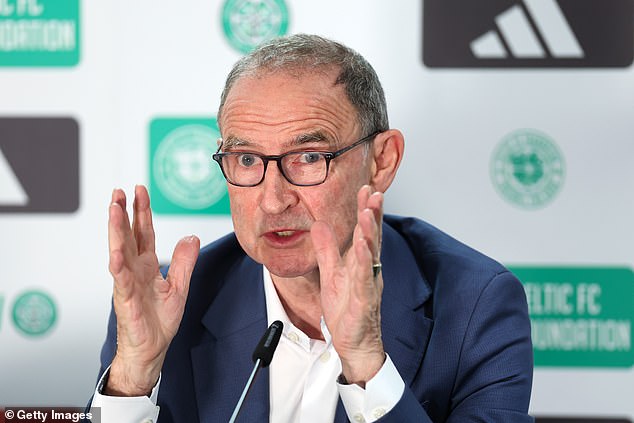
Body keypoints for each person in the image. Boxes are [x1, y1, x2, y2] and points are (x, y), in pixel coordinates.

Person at [90, 34, 533, 422]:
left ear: (382, 161)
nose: (273, 199)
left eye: (309, 158)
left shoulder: (476, 305)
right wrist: (132, 379)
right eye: (247, 159)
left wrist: (367, 367)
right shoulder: (169, 303)